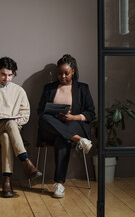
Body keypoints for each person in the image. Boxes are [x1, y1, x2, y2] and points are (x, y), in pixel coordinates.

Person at [0, 56, 42, 198]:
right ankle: (26, 161)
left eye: (10, 75)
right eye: (3, 74)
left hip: (12, 130)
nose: (7, 78)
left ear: (14, 74)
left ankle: (6, 181)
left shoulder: (19, 91)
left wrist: (15, 121)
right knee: (8, 125)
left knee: (6, 134)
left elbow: (25, 115)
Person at [37, 54, 95, 198]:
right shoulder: (49, 88)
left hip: (74, 124)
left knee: (61, 139)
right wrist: (54, 115)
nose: (62, 76)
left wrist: (73, 117)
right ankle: (79, 140)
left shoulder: (82, 88)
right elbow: (40, 111)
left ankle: (59, 184)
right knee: (43, 117)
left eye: (66, 73)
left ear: (73, 71)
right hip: (51, 126)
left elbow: (91, 113)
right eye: (60, 73)